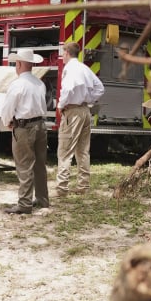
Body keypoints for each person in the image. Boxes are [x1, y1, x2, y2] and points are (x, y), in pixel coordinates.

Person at [0, 48, 49, 214]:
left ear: (19, 64)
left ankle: (25, 203)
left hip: (24, 127)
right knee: (40, 165)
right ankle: (42, 199)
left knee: (24, 165)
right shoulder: (39, 83)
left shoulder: (17, 84)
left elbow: (8, 109)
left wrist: (7, 121)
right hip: (40, 125)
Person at [55, 41, 104, 196]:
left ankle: (62, 187)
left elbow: (67, 89)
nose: (62, 56)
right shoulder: (84, 68)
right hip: (85, 110)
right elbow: (100, 88)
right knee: (83, 150)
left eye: (63, 53)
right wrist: (89, 99)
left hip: (73, 111)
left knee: (65, 150)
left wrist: (60, 105)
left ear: (67, 53)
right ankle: (83, 185)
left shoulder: (70, 68)